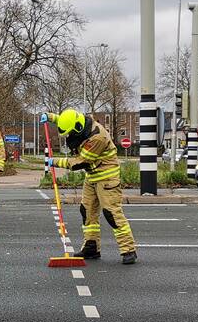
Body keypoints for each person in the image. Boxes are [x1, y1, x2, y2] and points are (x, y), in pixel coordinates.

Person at [45, 108, 137, 265]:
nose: (70, 136)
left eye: (70, 133)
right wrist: (49, 117)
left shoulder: (97, 137)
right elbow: (65, 120)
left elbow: (81, 161)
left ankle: (128, 249)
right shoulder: (79, 123)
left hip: (106, 178)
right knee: (87, 211)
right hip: (92, 177)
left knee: (112, 213)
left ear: (78, 128)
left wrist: (55, 162)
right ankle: (91, 246)